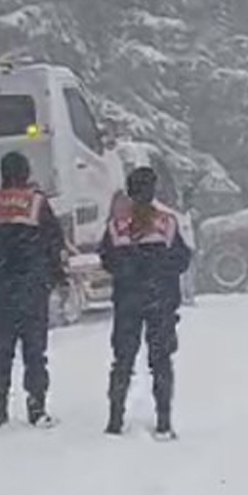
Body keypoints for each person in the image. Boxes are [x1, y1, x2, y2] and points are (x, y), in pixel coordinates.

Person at [0, 151, 68, 429]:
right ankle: (36, 407)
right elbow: (54, 243)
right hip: (32, 287)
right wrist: (58, 278)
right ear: (26, 173)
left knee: (2, 350)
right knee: (34, 351)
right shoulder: (36, 203)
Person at [99, 166, 193, 439]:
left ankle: (115, 420)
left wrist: (129, 272)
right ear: (153, 191)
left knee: (123, 360)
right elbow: (182, 260)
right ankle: (163, 421)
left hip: (127, 301)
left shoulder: (116, 226)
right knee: (161, 361)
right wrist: (159, 273)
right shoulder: (167, 223)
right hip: (160, 300)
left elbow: (106, 259)